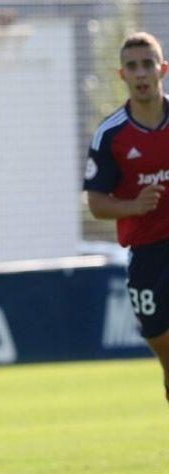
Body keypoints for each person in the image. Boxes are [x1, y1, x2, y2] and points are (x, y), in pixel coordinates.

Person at [84, 31, 169, 404]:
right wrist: (134, 206)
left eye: (147, 64)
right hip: (146, 251)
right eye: (132, 66)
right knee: (160, 339)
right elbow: (97, 203)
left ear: (162, 69)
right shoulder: (111, 135)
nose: (141, 73)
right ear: (122, 75)